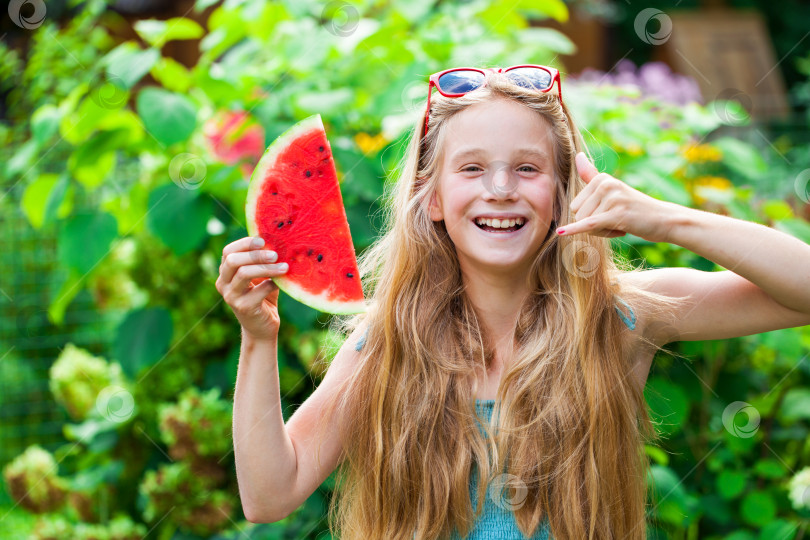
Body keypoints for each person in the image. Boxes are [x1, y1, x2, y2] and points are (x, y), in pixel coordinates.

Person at [215, 65, 810, 540]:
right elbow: (270, 495)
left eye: (527, 168)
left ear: (562, 194)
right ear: (433, 199)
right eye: (471, 168)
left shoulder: (623, 316)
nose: (500, 189)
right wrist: (257, 337)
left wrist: (665, 219)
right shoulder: (386, 341)